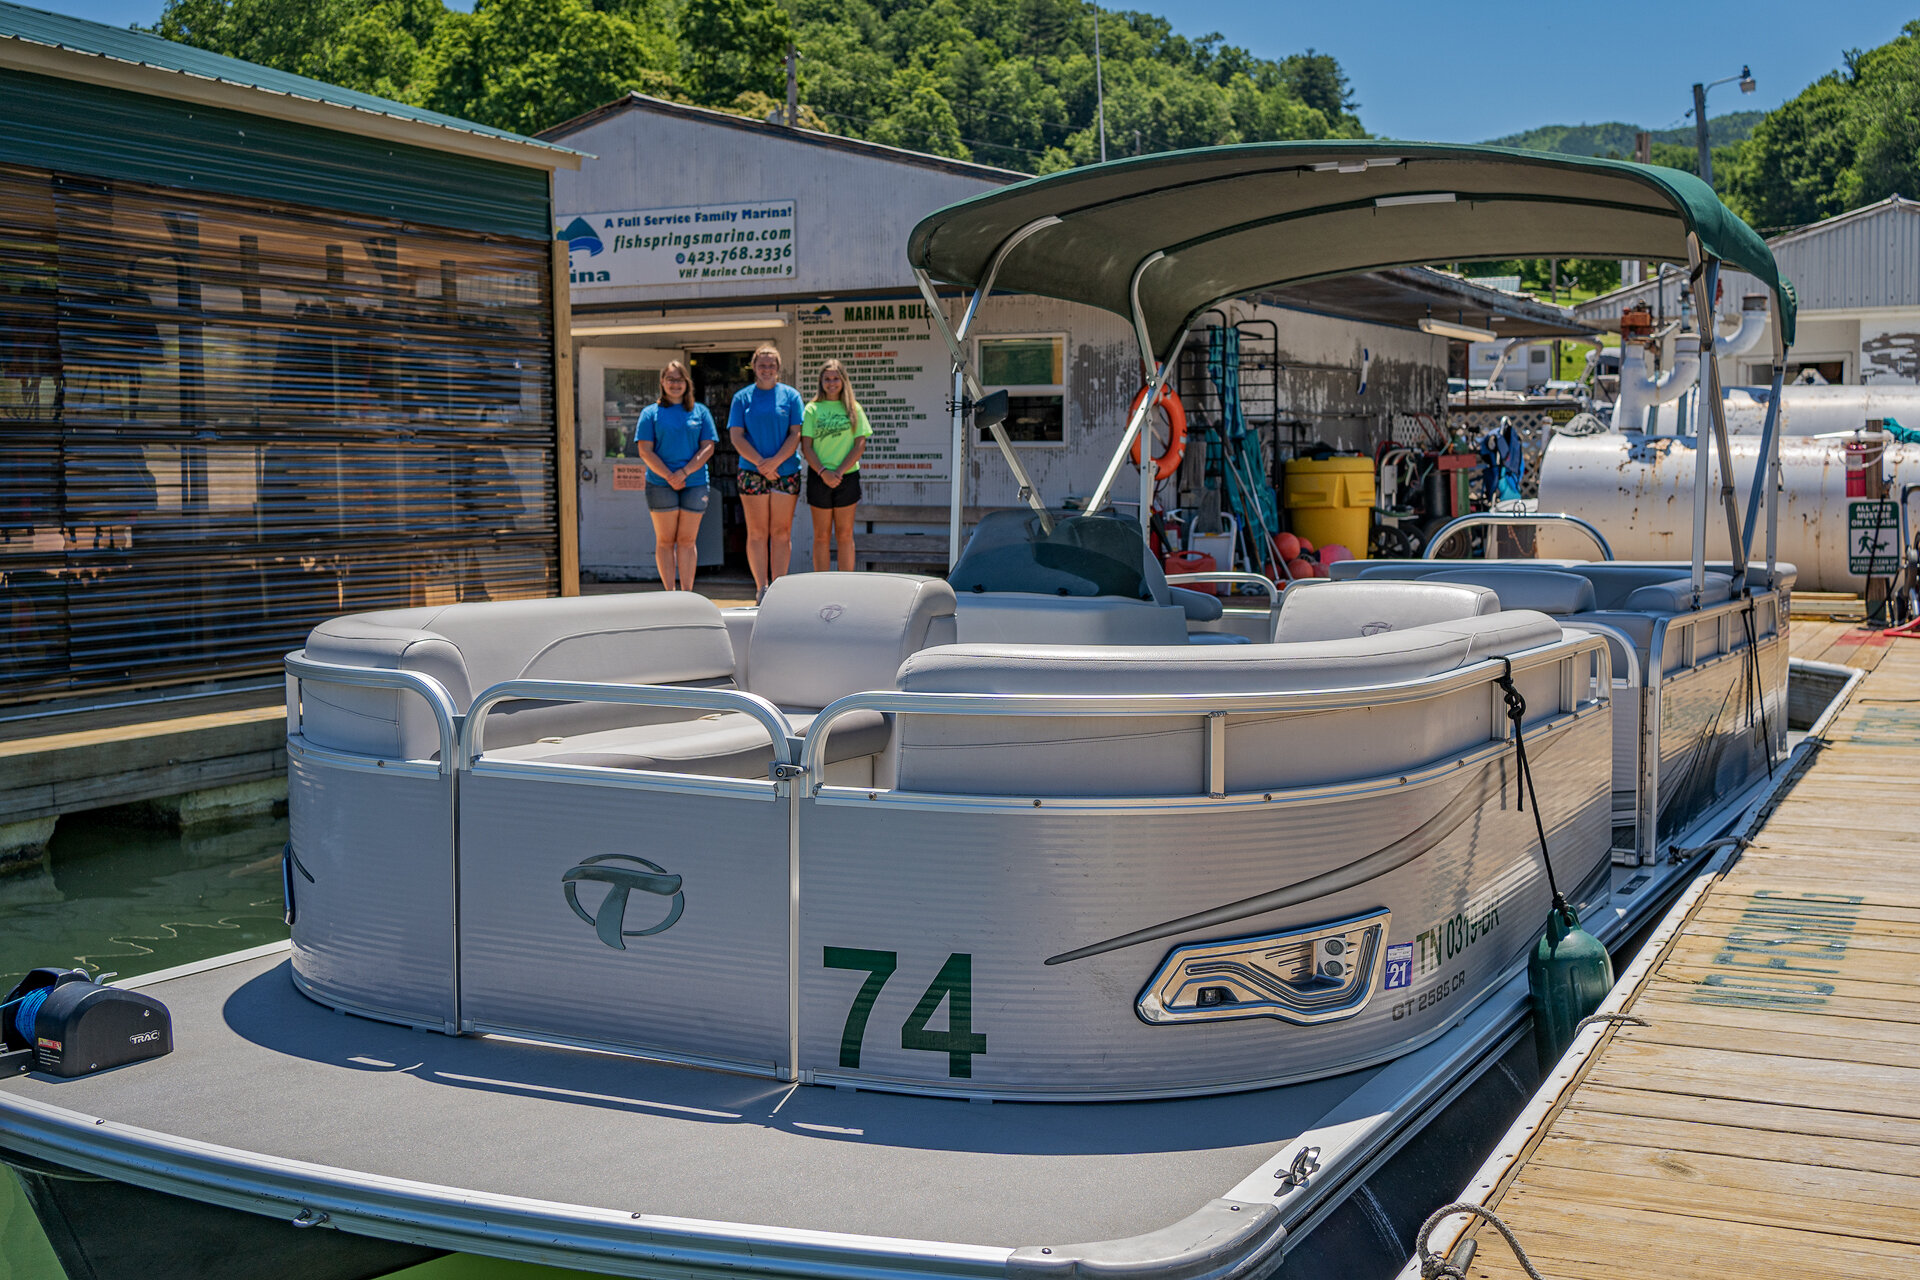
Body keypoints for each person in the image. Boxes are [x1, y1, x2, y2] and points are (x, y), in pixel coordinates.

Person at [629, 361, 716, 591]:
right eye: (670, 379)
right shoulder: (650, 413)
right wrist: (669, 476)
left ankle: (686, 593)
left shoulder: (700, 412)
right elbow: (644, 450)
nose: (675, 384)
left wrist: (684, 472)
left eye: (679, 379)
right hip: (660, 484)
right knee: (665, 541)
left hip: (694, 482)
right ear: (662, 382)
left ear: (687, 383)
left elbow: (708, 447)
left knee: (687, 541)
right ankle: (670, 593)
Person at [726, 344, 804, 600]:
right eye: (762, 365)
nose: (767, 369)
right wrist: (761, 463)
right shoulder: (742, 397)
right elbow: (736, 436)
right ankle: (761, 587)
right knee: (757, 532)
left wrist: (776, 463)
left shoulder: (791, 396)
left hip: (786, 471)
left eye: (771, 365)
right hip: (752, 472)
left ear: (778, 368)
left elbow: (796, 433)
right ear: (754, 367)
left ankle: (778, 590)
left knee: (781, 533)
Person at [801, 358, 872, 572]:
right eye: (827, 379)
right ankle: (822, 582)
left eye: (836, 378)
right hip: (819, 476)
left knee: (844, 534)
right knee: (821, 536)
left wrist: (839, 472)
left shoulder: (854, 408)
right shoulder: (812, 409)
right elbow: (806, 446)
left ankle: (845, 582)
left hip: (847, 476)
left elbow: (860, 444)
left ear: (843, 381)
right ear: (820, 382)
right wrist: (824, 472)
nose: (831, 383)